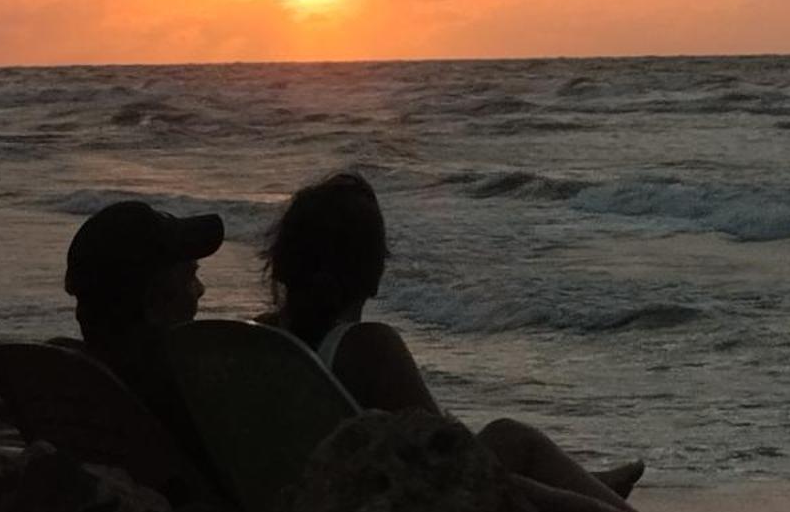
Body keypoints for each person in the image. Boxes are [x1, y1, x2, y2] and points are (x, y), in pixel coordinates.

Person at [261, 172, 644, 512]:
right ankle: (587, 489)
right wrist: (569, 502)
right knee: (514, 440)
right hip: (375, 499)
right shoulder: (367, 348)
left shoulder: (258, 340)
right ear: (373, 273)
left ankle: (581, 480)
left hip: (306, 492)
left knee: (508, 440)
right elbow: (454, 459)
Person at [63, 199, 227, 498]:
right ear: (155, 303)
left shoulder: (68, 378)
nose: (201, 289)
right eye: (191, 276)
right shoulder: (187, 393)